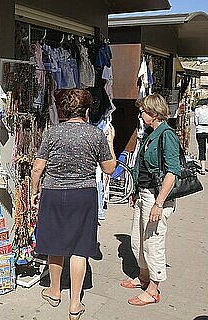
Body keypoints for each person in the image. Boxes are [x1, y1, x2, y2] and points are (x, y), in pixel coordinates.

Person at [31, 89, 116, 320]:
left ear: (64, 110)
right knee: (80, 248)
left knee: (55, 245)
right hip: (83, 195)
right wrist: (110, 141)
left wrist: (34, 191)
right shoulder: (95, 135)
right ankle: (75, 304)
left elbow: (38, 167)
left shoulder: (52, 133)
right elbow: (109, 168)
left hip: (54, 193)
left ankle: (55, 291)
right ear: (87, 110)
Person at [120, 94, 180, 306]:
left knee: (153, 243)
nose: (140, 114)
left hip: (156, 197)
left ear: (153, 114)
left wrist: (159, 203)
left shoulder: (167, 135)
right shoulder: (150, 134)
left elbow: (173, 172)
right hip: (144, 194)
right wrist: (135, 191)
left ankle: (153, 289)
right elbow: (142, 167)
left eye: (143, 111)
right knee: (137, 240)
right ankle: (143, 278)